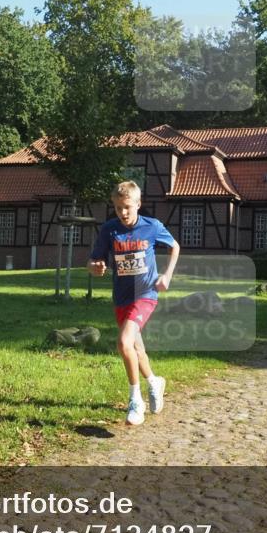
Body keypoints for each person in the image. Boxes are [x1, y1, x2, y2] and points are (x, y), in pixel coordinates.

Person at [88, 181, 180, 426]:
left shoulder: (152, 227)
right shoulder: (109, 230)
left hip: (145, 295)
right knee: (136, 350)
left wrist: (167, 276)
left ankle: (135, 401)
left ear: (138, 204)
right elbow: (94, 262)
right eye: (118, 208)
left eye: (127, 207)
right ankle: (154, 382)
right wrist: (96, 268)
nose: (123, 213)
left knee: (123, 342)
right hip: (121, 297)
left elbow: (175, 247)